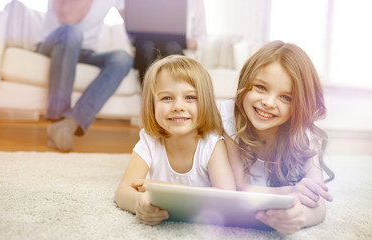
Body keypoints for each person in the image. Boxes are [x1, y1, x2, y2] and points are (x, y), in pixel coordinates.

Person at [218, 40, 335, 235]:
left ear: (300, 105)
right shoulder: (230, 118)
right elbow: (238, 189)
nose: (268, 103)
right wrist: (291, 192)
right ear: (246, 83)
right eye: (261, 88)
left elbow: (318, 205)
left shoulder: (304, 134)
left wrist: (298, 216)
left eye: (286, 97)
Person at [114, 55, 236, 225]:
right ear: (152, 105)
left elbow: (227, 196)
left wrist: (165, 188)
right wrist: (139, 204)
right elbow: (122, 192)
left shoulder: (212, 144)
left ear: (206, 102)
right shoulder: (150, 141)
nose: (178, 107)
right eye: (167, 98)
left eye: (190, 97)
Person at [36, 0, 134, 152]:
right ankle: (58, 117)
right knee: (72, 32)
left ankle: (67, 124)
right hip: (56, 43)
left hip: (86, 52)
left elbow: (131, 23)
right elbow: (67, 18)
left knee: (122, 58)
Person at [131, 0, 207, 83]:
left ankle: (172, 92)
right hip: (146, 43)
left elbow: (202, 39)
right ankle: (149, 94)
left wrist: (188, 42)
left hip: (177, 44)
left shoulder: (195, 2)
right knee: (147, 47)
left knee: (171, 47)